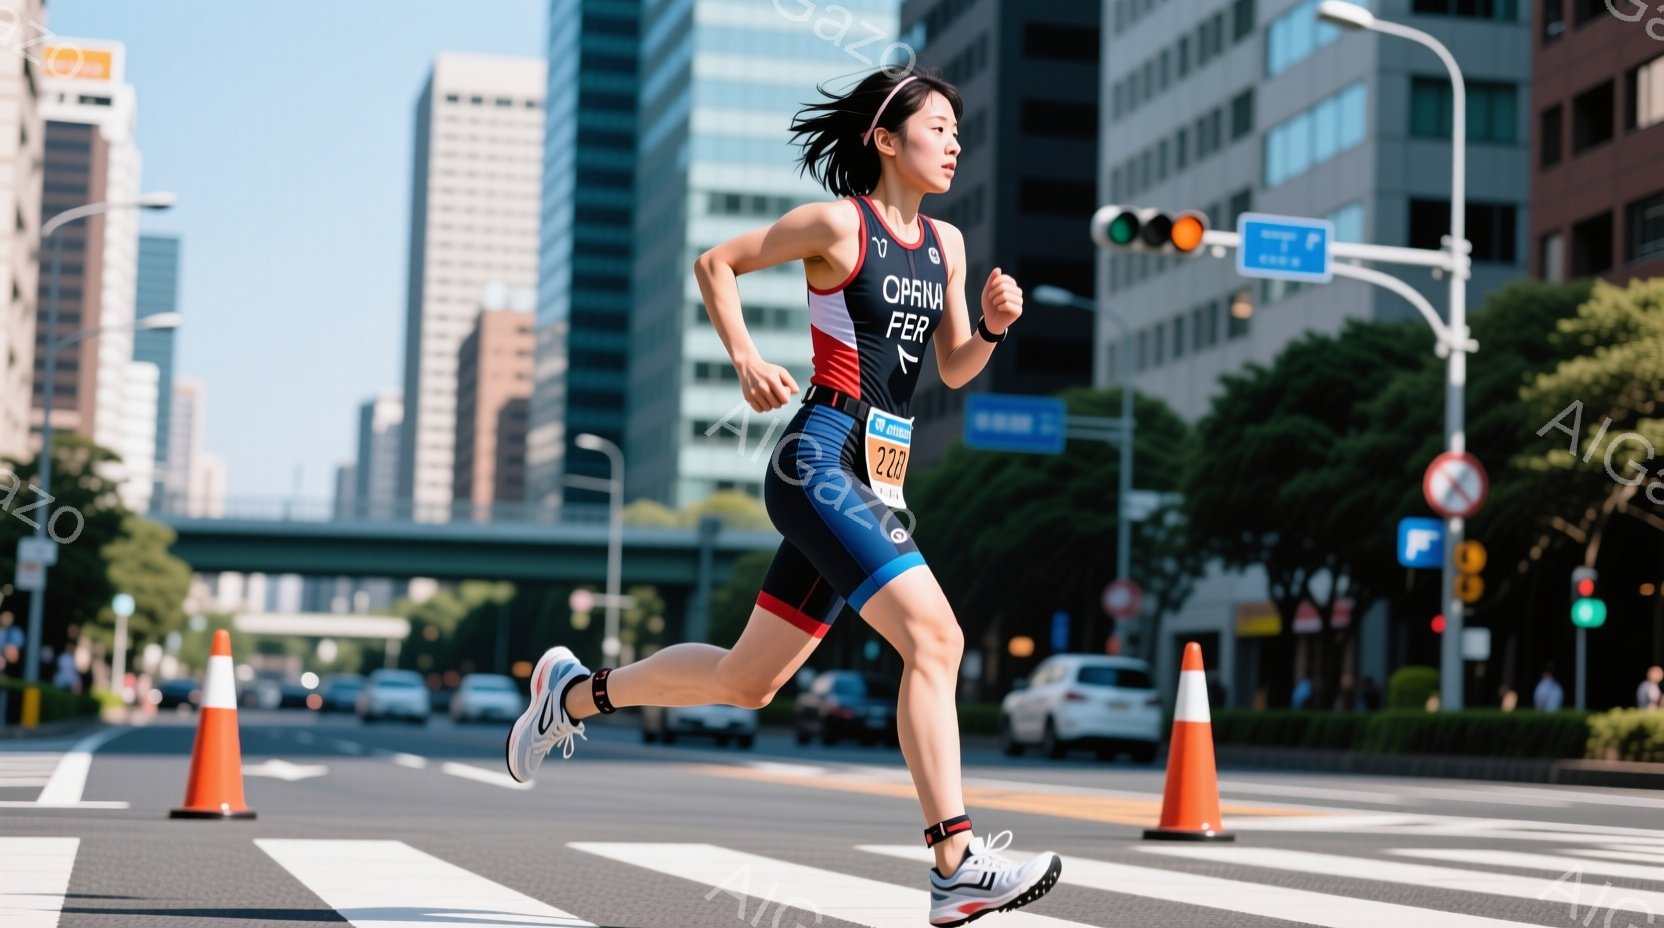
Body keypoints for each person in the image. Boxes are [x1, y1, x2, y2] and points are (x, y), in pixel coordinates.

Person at [504, 67, 1062, 926]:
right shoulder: (840, 224)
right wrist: (745, 358)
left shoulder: (947, 246)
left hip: (876, 477)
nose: (954, 142)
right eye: (939, 126)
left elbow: (951, 367)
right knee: (938, 640)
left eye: (959, 129)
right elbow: (716, 262)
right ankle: (953, 861)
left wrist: (989, 325)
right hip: (820, 458)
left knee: (747, 682)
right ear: (886, 138)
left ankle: (572, 694)